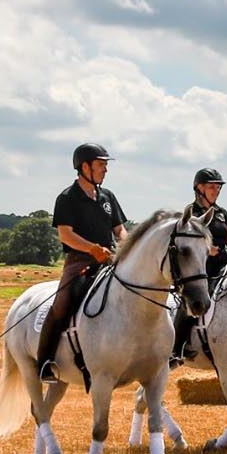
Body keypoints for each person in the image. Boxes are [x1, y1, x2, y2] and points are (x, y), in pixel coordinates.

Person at [36, 142, 128, 383]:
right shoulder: (67, 198)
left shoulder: (108, 196)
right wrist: (92, 249)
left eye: (106, 165)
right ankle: (44, 361)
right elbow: (66, 234)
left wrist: (128, 247)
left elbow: (119, 230)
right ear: (84, 166)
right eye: (101, 165)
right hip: (80, 262)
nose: (105, 170)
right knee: (61, 306)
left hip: (109, 260)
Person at [171, 167, 227, 367]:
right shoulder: (191, 213)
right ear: (199, 188)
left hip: (224, 267)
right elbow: (191, 243)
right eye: (212, 187)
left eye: (218, 187)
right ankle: (178, 348)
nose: (216, 191)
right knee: (189, 304)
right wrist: (209, 250)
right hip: (200, 270)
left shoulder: (222, 214)